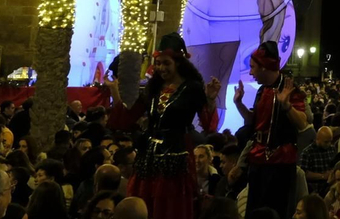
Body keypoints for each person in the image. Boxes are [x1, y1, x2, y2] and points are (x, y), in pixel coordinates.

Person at [107, 33, 223, 219]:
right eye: (158, 63)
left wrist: (209, 99)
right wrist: (115, 91)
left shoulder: (192, 88)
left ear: (179, 62)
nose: (161, 68)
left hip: (175, 156)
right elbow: (127, 118)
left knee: (169, 206)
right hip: (148, 157)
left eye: (166, 63)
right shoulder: (153, 87)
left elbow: (209, 124)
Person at [236, 41, 309, 219]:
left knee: (276, 210)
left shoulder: (290, 90)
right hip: (258, 160)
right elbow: (253, 122)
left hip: (280, 163)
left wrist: (287, 106)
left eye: (253, 67)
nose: (251, 72)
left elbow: (302, 123)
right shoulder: (262, 91)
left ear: (264, 67)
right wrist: (239, 103)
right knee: (255, 210)